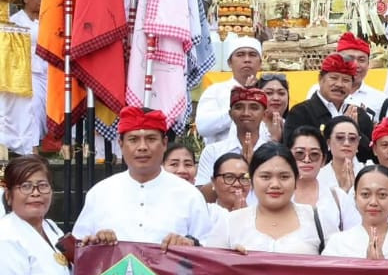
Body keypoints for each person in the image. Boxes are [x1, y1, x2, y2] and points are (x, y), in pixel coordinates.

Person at [73, 106, 211, 245]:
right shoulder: (100, 193)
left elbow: (208, 248)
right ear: (121, 144)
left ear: (164, 143)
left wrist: (191, 244)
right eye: (133, 140)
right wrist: (95, 243)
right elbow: (78, 248)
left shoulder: (189, 195)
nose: (142, 147)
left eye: (151, 139)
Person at [207, 143, 327, 254]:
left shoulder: (318, 220)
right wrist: (228, 259)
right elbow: (210, 269)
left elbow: (335, 269)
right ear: (252, 180)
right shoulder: (230, 223)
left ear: (296, 180)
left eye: (284, 177)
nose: (275, 184)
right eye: (265, 177)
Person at [322, 166, 388, 260]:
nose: (373, 202)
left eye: (382, 195)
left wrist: (384, 267)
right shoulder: (338, 243)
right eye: (365, 194)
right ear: (355, 199)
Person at [283, 53, 376, 162]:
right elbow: (293, 153)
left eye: (346, 80)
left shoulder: (359, 115)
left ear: (352, 85)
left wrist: (356, 132)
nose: (339, 84)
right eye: (334, 78)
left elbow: (372, 154)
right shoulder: (301, 113)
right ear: (320, 79)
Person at [1, 0, 47, 153]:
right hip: (27, 71)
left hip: (48, 69)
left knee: (45, 108)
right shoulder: (15, 21)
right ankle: (32, 147)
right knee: (32, 106)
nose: (41, 1)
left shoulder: (46, 18)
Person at [196, 35, 263, 145]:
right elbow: (203, 127)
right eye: (240, 55)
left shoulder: (266, 91)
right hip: (222, 158)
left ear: (260, 63)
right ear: (229, 63)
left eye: (252, 55)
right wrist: (239, 103)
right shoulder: (215, 91)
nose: (247, 60)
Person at [195, 85, 267, 184]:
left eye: (254, 108)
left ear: (264, 115)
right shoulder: (213, 151)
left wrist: (252, 169)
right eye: (239, 107)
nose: (246, 113)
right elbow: (202, 195)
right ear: (230, 114)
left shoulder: (274, 152)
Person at [288, 126, 343, 234]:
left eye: (314, 154)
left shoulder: (338, 197)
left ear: (323, 160)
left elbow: (352, 236)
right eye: (299, 154)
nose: (307, 160)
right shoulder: (275, 193)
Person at [329, 32, 388, 120]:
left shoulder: (381, 100)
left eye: (361, 60)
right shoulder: (319, 93)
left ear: (368, 65)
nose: (355, 65)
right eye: (350, 58)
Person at [257, 73, 290, 142]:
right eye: (269, 93)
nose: (276, 98)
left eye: (281, 93)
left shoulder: (293, 126)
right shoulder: (249, 126)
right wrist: (275, 139)